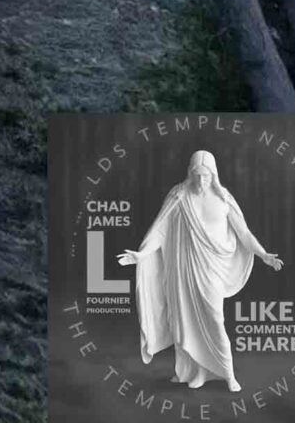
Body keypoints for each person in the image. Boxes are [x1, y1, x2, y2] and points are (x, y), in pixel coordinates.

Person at [118, 149, 283, 394]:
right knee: (185, 320)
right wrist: (141, 255)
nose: (201, 180)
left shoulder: (224, 198)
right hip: (184, 270)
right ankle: (195, 372)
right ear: (190, 173)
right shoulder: (179, 196)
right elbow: (160, 231)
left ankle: (228, 374)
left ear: (213, 175)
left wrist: (264, 254)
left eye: (206, 176)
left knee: (215, 320)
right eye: (196, 175)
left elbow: (244, 233)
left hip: (212, 270)